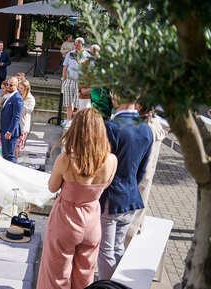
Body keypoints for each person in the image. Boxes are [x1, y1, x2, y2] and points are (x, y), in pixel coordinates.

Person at [36, 108, 118, 289]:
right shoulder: (111, 160)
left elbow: (52, 187)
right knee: (85, 275)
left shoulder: (66, 159)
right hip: (92, 221)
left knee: (56, 276)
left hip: (66, 219)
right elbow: (105, 186)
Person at [97, 98, 153, 280]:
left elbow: (101, 165)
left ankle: (109, 285)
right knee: (118, 247)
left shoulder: (111, 127)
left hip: (111, 197)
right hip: (131, 196)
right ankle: (118, 283)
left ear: (115, 97)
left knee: (105, 251)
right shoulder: (146, 128)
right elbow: (142, 170)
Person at [124, 104, 168, 243]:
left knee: (144, 180)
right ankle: (134, 224)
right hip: (148, 122)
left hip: (149, 124)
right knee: (143, 181)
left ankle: (133, 227)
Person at [61, 37, 91, 124]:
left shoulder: (87, 56)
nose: (76, 46)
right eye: (75, 44)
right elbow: (65, 67)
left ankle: (76, 121)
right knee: (68, 101)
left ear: (82, 45)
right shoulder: (70, 54)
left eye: (78, 44)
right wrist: (64, 80)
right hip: (69, 80)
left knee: (78, 103)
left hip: (80, 82)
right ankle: (68, 119)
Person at [0, 77, 24, 163]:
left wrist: (10, 131)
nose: (8, 86)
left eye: (11, 85)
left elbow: (16, 117)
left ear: (16, 86)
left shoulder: (18, 98)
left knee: (10, 156)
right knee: (5, 155)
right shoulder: (8, 96)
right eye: (7, 84)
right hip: (4, 130)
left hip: (10, 133)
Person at [17, 79, 35, 158]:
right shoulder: (17, 95)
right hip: (15, 124)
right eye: (19, 88)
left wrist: (21, 103)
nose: (19, 90)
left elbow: (29, 110)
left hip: (23, 125)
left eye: (21, 88)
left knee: (19, 146)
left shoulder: (30, 98)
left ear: (26, 89)